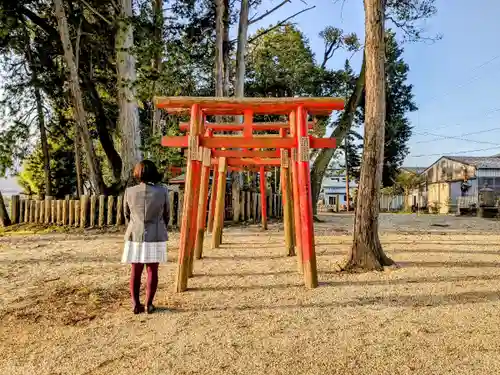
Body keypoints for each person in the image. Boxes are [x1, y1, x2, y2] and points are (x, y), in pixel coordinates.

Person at [121, 160, 169, 314]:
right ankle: (149, 304)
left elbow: (126, 214)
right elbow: (167, 215)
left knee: (135, 269)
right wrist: (160, 226)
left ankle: (136, 304)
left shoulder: (130, 191)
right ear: (154, 172)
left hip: (135, 232)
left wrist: (134, 225)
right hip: (155, 232)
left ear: (137, 173)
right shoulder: (162, 191)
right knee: (152, 270)